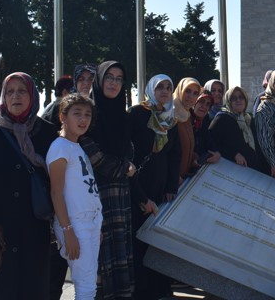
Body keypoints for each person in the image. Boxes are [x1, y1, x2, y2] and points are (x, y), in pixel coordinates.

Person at [0, 72, 57, 300]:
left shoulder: (47, 131)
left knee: (33, 286)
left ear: (32, 96)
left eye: (22, 91)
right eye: (10, 91)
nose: (15, 96)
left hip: (34, 226)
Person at [80, 60, 137, 300]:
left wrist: (127, 166)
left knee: (120, 255)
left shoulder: (123, 116)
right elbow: (90, 152)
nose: (113, 83)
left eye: (119, 79)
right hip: (95, 196)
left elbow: (130, 150)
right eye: (109, 77)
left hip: (120, 196)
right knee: (100, 260)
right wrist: (124, 168)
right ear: (100, 80)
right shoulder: (88, 112)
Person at [127, 75, 181, 300]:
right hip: (137, 184)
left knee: (156, 241)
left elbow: (174, 155)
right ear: (151, 89)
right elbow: (128, 149)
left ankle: (159, 289)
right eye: (160, 87)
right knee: (138, 240)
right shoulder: (137, 113)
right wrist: (140, 194)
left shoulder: (171, 119)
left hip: (160, 188)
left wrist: (171, 186)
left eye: (168, 87)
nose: (165, 91)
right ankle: (141, 292)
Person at [47, 93, 104, 300]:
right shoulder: (59, 147)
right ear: (63, 117)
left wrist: (96, 225)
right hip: (75, 223)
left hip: (91, 221)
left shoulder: (77, 146)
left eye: (87, 114)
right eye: (77, 113)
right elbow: (56, 193)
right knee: (86, 286)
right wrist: (68, 231)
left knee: (89, 282)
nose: (83, 119)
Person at [209, 86, 262, 171]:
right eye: (234, 98)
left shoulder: (248, 119)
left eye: (241, 97)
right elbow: (210, 142)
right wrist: (234, 154)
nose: (238, 100)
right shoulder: (222, 118)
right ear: (228, 102)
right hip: (230, 170)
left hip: (250, 170)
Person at [173, 77, 203, 182]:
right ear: (180, 90)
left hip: (182, 180)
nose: (191, 96)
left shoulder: (187, 115)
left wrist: (193, 159)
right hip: (170, 181)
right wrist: (173, 177)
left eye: (195, 93)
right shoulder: (170, 114)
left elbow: (185, 146)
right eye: (187, 91)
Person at [190, 92, 221, 168]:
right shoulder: (185, 119)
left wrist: (216, 152)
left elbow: (209, 140)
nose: (204, 106)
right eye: (201, 101)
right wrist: (193, 157)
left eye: (208, 104)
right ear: (194, 103)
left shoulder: (205, 121)